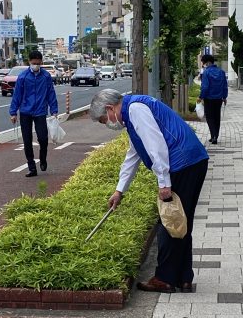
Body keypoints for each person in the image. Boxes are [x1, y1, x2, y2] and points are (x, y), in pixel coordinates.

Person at [90, 89, 209, 293]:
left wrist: (164, 183)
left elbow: (156, 147)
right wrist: (119, 191)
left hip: (183, 163)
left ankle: (165, 279)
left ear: (110, 108)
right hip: (192, 161)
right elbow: (133, 155)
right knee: (181, 220)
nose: (107, 123)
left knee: (169, 221)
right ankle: (183, 277)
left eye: (103, 119)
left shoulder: (135, 109)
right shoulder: (131, 112)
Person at [9, 50, 58, 177]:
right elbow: (17, 95)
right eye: (33, 63)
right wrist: (13, 112)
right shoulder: (23, 77)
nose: (36, 65)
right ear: (29, 62)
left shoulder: (46, 76)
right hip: (25, 112)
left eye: (38, 63)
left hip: (40, 111)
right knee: (27, 141)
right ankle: (31, 167)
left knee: (43, 138)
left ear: (41, 62)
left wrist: (54, 110)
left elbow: (50, 93)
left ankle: (43, 159)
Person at [197, 54, 228, 145]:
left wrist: (201, 96)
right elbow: (224, 86)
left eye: (203, 62)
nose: (203, 64)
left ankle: (214, 136)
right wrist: (224, 97)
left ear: (208, 62)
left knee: (210, 117)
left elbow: (205, 87)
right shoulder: (221, 72)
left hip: (209, 98)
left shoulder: (206, 72)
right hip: (218, 99)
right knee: (216, 117)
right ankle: (215, 136)